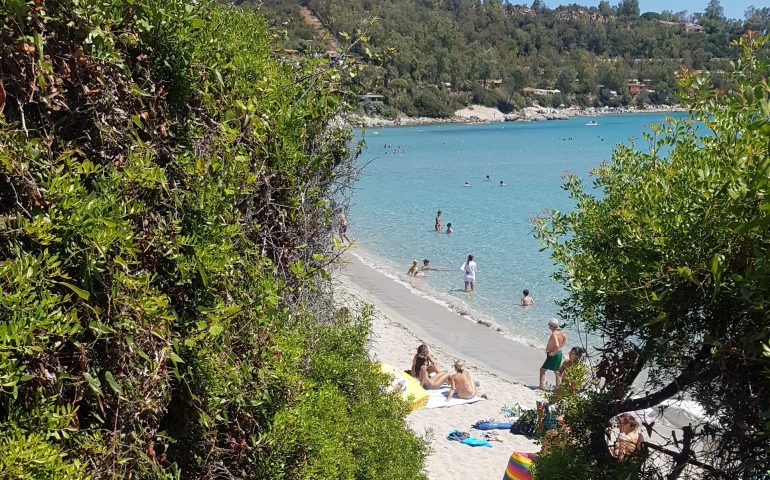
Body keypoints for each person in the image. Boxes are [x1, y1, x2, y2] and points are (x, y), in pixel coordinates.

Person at [539, 318, 567, 389]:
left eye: (549, 324)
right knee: (556, 371)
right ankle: (558, 387)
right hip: (559, 353)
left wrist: (553, 353)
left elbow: (557, 345)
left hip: (553, 355)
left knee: (542, 370)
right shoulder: (561, 332)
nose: (548, 326)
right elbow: (565, 339)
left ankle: (541, 386)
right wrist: (560, 348)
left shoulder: (554, 333)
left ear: (552, 325)